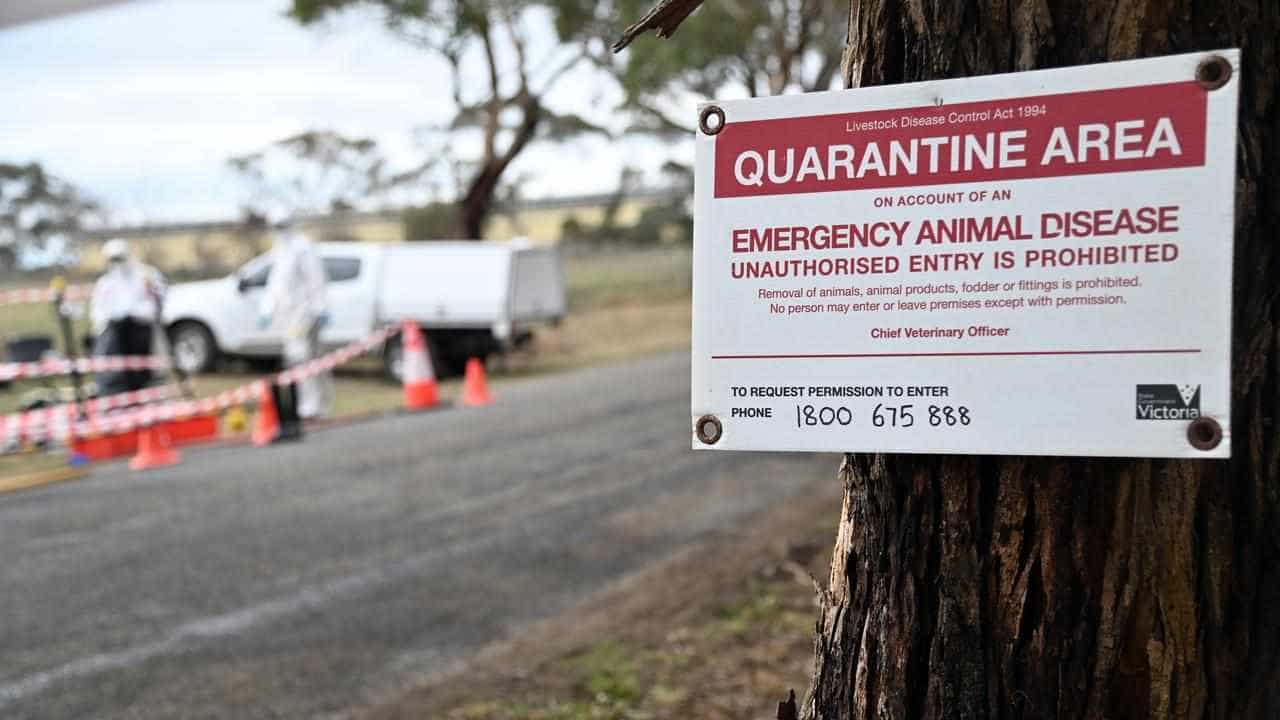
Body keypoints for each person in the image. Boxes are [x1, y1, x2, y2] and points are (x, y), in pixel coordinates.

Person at [259, 217, 331, 441]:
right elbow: (275, 284)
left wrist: (320, 307)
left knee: (304, 360)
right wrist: (267, 308)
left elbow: (315, 279)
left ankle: (311, 408)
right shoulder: (280, 250)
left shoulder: (302, 247)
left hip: (304, 313)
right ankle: (308, 406)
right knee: (299, 361)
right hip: (288, 316)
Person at [90, 238, 165, 395]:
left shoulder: (146, 275)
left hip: (141, 329)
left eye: (119, 258)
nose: (117, 263)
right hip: (115, 332)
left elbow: (159, 297)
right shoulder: (105, 282)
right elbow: (98, 309)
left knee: (142, 369)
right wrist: (101, 327)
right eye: (113, 259)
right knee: (119, 370)